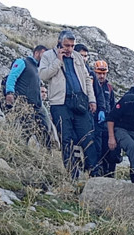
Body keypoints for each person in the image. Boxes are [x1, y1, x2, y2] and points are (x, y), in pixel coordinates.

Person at [39, 30, 98, 179]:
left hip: (79, 102)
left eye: (72, 46)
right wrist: (58, 60)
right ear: (59, 42)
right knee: (66, 138)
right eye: (66, 45)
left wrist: (92, 99)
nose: (69, 49)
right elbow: (43, 75)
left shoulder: (77, 57)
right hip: (60, 104)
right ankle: (72, 174)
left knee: (87, 136)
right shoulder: (48, 56)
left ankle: (94, 173)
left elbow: (86, 79)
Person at [4, 45, 50, 148]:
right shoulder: (22, 62)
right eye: (44, 54)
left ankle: (46, 155)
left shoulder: (37, 69)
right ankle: (19, 149)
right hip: (24, 103)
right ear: (37, 53)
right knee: (27, 128)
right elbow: (12, 76)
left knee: (44, 130)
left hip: (37, 106)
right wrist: (10, 92)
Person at [75, 43, 106, 169]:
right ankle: (76, 167)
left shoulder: (91, 74)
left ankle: (92, 168)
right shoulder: (69, 70)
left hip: (90, 113)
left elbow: (99, 95)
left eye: (86, 56)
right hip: (75, 111)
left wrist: (102, 109)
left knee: (92, 142)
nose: (84, 58)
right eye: (81, 55)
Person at [93, 60, 118, 176]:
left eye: (104, 73)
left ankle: (110, 173)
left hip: (107, 123)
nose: (102, 76)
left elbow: (113, 105)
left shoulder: (109, 87)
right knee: (97, 149)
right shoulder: (91, 85)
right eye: (99, 73)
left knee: (110, 150)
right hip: (95, 122)